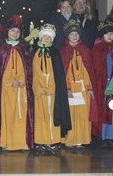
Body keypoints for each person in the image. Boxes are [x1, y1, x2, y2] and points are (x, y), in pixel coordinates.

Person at [0, 15, 34, 151]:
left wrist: (21, 82)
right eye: (12, 31)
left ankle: (22, 142)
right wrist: (10, 82)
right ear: (7, 31)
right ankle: (6, 141)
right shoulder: (2, 50)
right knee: (7, 115)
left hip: (21, 89)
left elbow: (28, 70)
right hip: (6, 90)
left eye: (17, 32)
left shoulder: (23, 49)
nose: (15, 34)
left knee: (21, 115)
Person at [31, 23, 70, 151]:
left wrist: (51, 89)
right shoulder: (35, 53)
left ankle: (53, 141)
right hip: (39, 91)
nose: (46, 39)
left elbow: (57, 74)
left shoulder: (54, 53)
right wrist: (41, 89)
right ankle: (41, 141)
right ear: (40, 38)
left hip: (52, 91)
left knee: (52, 114)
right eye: (44, 37)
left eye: (49, 37)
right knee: (40, 116)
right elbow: (34, 73)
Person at [59, 20, 93, 147]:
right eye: (71, 34)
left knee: (83, 114)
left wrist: (90, 87)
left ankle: (82, 139)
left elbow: (89, 70)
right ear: (67, 36)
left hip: (83, 87)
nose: (74, 36)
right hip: (71, 87)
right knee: (71, 114)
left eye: (77, 34)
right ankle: (70, 139)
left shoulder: (85, 50)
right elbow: (64, 71)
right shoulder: (64, 51)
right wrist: (66, 88)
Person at [90, 20, 113, 144]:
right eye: (106, 34)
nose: (109, 36)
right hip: (101, 84)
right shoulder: (97, 50)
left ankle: (112, 135)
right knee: (102, 108)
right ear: (102, 36)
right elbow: (94, 68)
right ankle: (102, 135)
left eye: (111, 33)